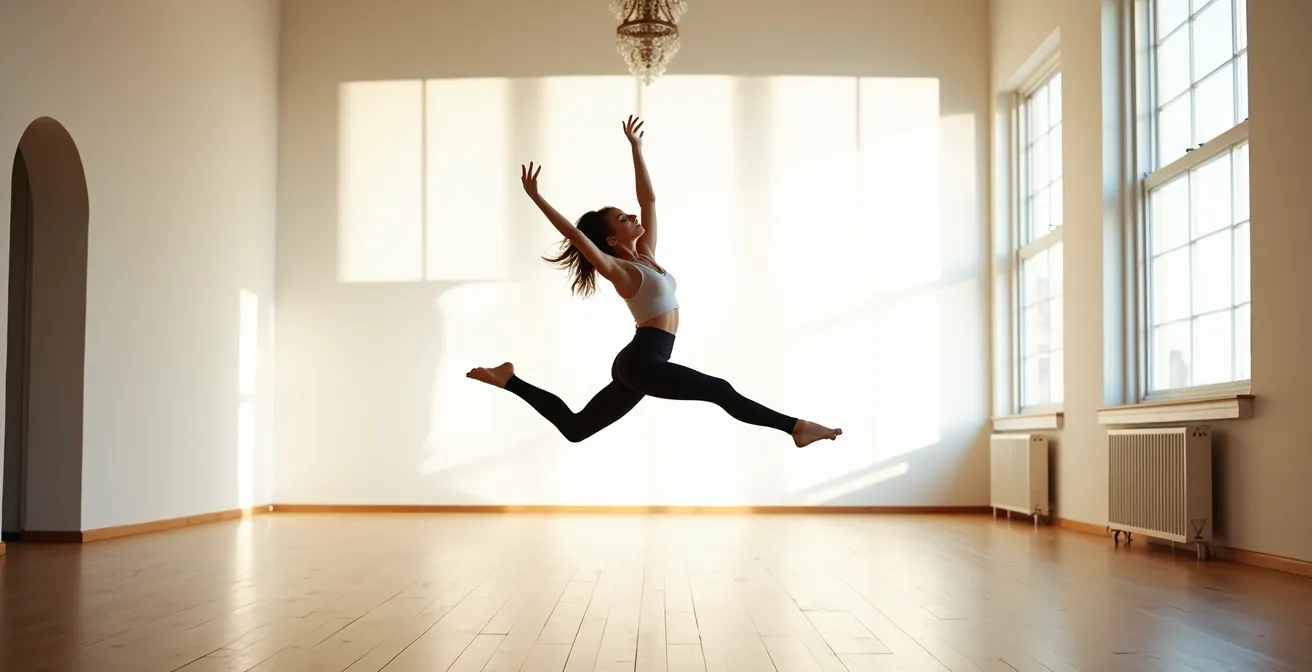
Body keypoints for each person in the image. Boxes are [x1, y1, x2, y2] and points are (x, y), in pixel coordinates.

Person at [467, 116, 841, 449]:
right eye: (623, 219)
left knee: (576, 428)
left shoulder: (646, 255)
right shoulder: (620, 269)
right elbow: (579, 239)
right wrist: (537, 198)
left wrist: (636, 148)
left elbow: (649, 200)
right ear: (612, 240)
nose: (632, 216)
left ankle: (509, 379)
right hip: (642, 362)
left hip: (646, 359)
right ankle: (796, 427)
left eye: (627, 215)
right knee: (719, 390)